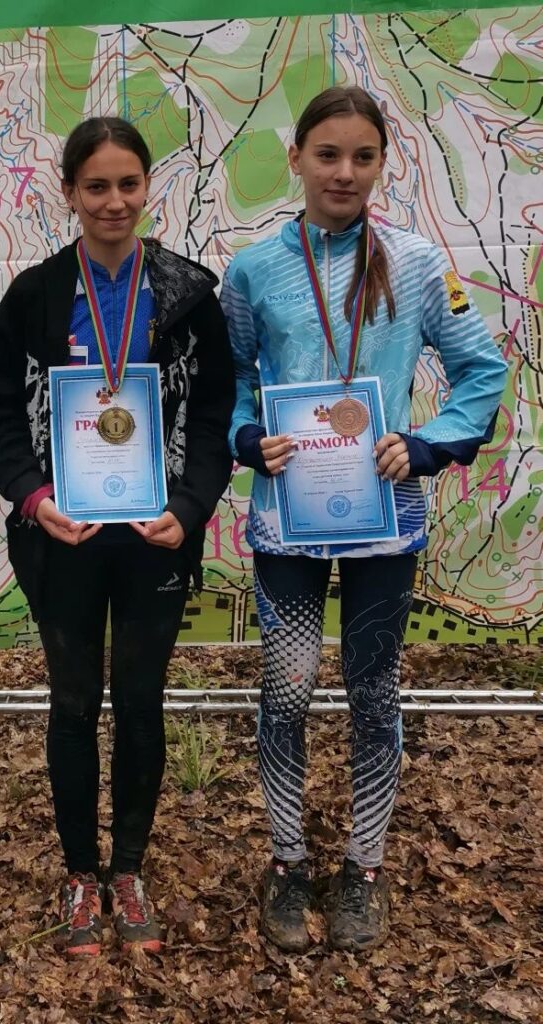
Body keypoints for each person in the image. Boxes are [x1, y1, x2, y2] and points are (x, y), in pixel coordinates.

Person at [220, 86, 508, 954]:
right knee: (287, 688)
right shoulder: (253, 270)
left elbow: (481, 371)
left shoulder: (417, 264)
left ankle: (365, 868)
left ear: (383, 163)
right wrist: (247, 436)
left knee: (373, 688)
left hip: (386, 516)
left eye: (363, 156)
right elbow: (232, 380)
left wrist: (425, 445)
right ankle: (287, 863)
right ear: (297, 159)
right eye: (328, 155)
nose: (344, 172)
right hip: (289, 518)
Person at [0, 117, 234, 956]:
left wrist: (190, 506)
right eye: (96, 186)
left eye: (128, 184)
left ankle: (128, 869)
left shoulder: (188, 292)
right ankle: (80, 872)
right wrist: (31, 494)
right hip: (66, 535)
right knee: (74, 702)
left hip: (156, 535)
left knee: (141, 700)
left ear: (147, 187)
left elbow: (213, 412)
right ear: (69, 193)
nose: (114, 201)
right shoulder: (35, 294)